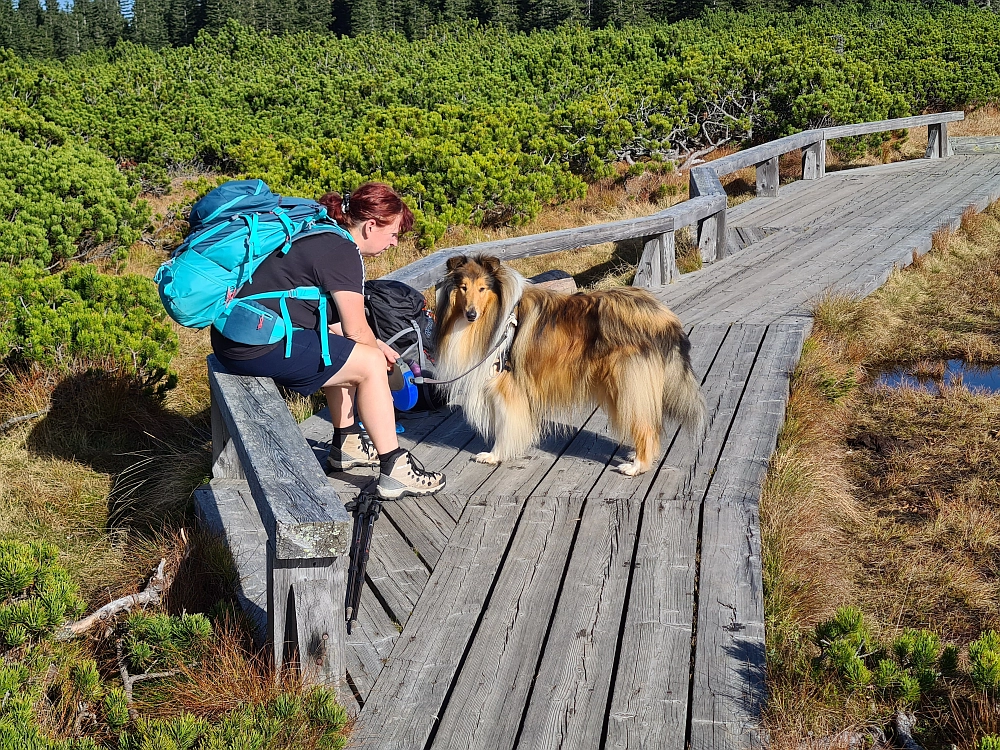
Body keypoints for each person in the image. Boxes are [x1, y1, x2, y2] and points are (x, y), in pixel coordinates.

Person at [211, 182, 445, 499]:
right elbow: (356, 332)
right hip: (256, 344)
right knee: (368, 363)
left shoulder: (323, 230)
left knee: (349, 354)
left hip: (238, 334)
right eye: (392, 234)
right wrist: (384, 362)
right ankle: (395, 467)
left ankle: (347, 442)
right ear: (371, 225)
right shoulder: (342, 251)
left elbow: (334, 326)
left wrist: (376, 345)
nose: (393, 243)